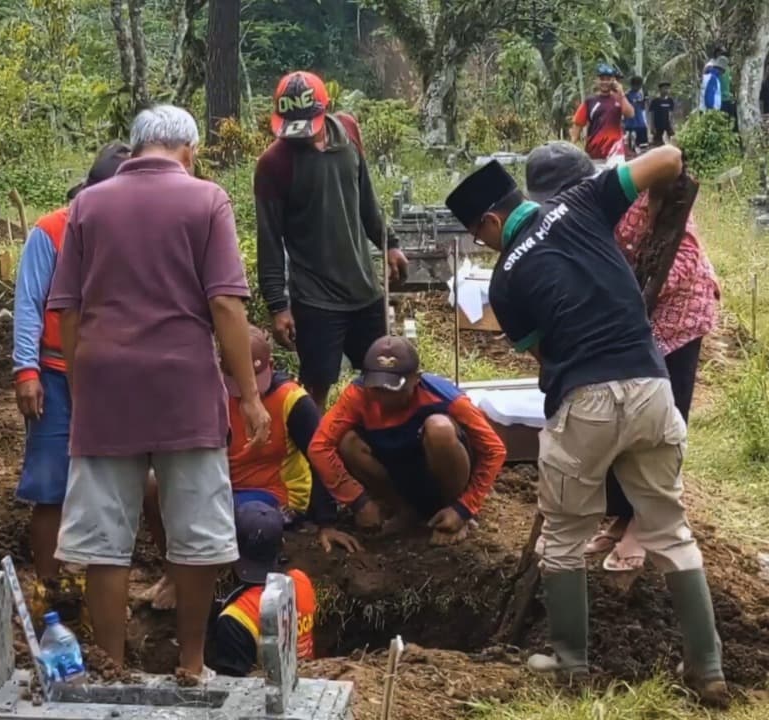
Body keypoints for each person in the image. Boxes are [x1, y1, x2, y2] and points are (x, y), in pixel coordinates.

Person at [443, 148, 728, 707]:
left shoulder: (504, 282)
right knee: (669, 531)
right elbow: (668, 157)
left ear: (492, 222)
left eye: (480, 235)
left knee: (565, 536)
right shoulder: (583, 202)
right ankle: (709, 666)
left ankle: (570, 660)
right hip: (651, 388)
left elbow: (545, 355)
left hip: (586, 400)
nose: (482, 245)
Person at [46, 104, 270, 678]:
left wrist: (81, 379)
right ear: (188, 150)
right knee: (197, 532)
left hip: (105, 388)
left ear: (137, 145)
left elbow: (66, 308)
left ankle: (113, 666)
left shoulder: (87, 204)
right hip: (184, 389)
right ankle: (193, 664)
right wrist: (247, 393)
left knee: (104, 542)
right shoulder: (207, 200)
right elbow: (225, 303)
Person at [523, 141, 719, 574]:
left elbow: (682, 257)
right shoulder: (564, 218)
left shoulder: (622, 197)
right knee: (613, 421)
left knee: (653, 424)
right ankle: (620, 518)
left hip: (675, 315)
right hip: (621, 324)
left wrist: (621, 296)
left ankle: (644, 527)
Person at [142, 325, 362, 610]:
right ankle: (173, 572)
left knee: (246, 521)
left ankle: (203, 579)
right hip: (220, 485)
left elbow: (319, 455)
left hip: (272, 493)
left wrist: (326, 522)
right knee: (152, 486)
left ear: (270, 365)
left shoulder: (292, 400)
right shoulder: (205, 393)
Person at [12, 141, 131, 612]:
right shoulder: (51, 232)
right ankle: (49, 582)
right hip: (56, 373)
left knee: (109, 479)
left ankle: (101, 577)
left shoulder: (132, 230)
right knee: (51, 481)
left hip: (113, 377)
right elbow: (28, 302)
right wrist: (26, 370)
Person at [255, 70, 408, 410]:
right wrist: (277, 306)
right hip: (315, 298)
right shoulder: (274, 163)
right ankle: (315, 459)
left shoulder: (349, 132)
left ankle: (379, 453)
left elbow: (366, 198)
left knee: (383, 379)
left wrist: (390, 243)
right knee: (316, 387)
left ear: (326, 110)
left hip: (363, 287)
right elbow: (269, 238)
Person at [308, 336, 508, 544]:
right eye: (377, 389)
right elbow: (320, 446)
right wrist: (358, 501)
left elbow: (494, 449)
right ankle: (404, 511)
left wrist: (465, 507)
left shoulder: (445, 396)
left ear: (416, 379)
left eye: (394, 389)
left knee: (440, 429)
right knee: (347, 441)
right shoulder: (357, 395)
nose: (384, 398)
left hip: (439, 472)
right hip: (395, 474)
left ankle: (450, 513)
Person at [207, 502, 317, 677]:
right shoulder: (301, 581)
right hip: (306, 681)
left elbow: (233, 686)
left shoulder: (235, 619)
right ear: (281, 544)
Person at [571, 63, 635, 161]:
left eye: (608, 79)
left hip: (616, 152)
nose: (605, 82)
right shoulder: (590, 101)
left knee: (615, 176)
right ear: (597, 80)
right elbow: (578, 124)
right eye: (602, 79)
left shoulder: (619, 98)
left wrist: (621, 94)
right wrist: (571, 146)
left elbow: (630, 114)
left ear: (613, 80)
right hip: (594, 153)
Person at [624, 76, 649, 152]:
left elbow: (642, 107)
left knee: (642, 135)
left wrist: (644, 101)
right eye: (636, 85)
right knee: (631, 137)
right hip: (631, 120)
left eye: (639, 85)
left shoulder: (640, 94)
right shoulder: (627, 95)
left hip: (639, 119)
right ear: (632, 85)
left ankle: (640, 148)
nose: (638, 87)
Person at [649, 82, 676, 146]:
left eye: (667, 88)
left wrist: (672, 125)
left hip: (667, 125)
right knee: (657, 144)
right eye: (664, 88)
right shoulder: (655, 101)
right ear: (660, 89)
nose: (666, 90)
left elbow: (671, 114)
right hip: (658, 126)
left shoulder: (670, 101)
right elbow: (651, 114)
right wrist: (652, 127)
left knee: (670, 143)